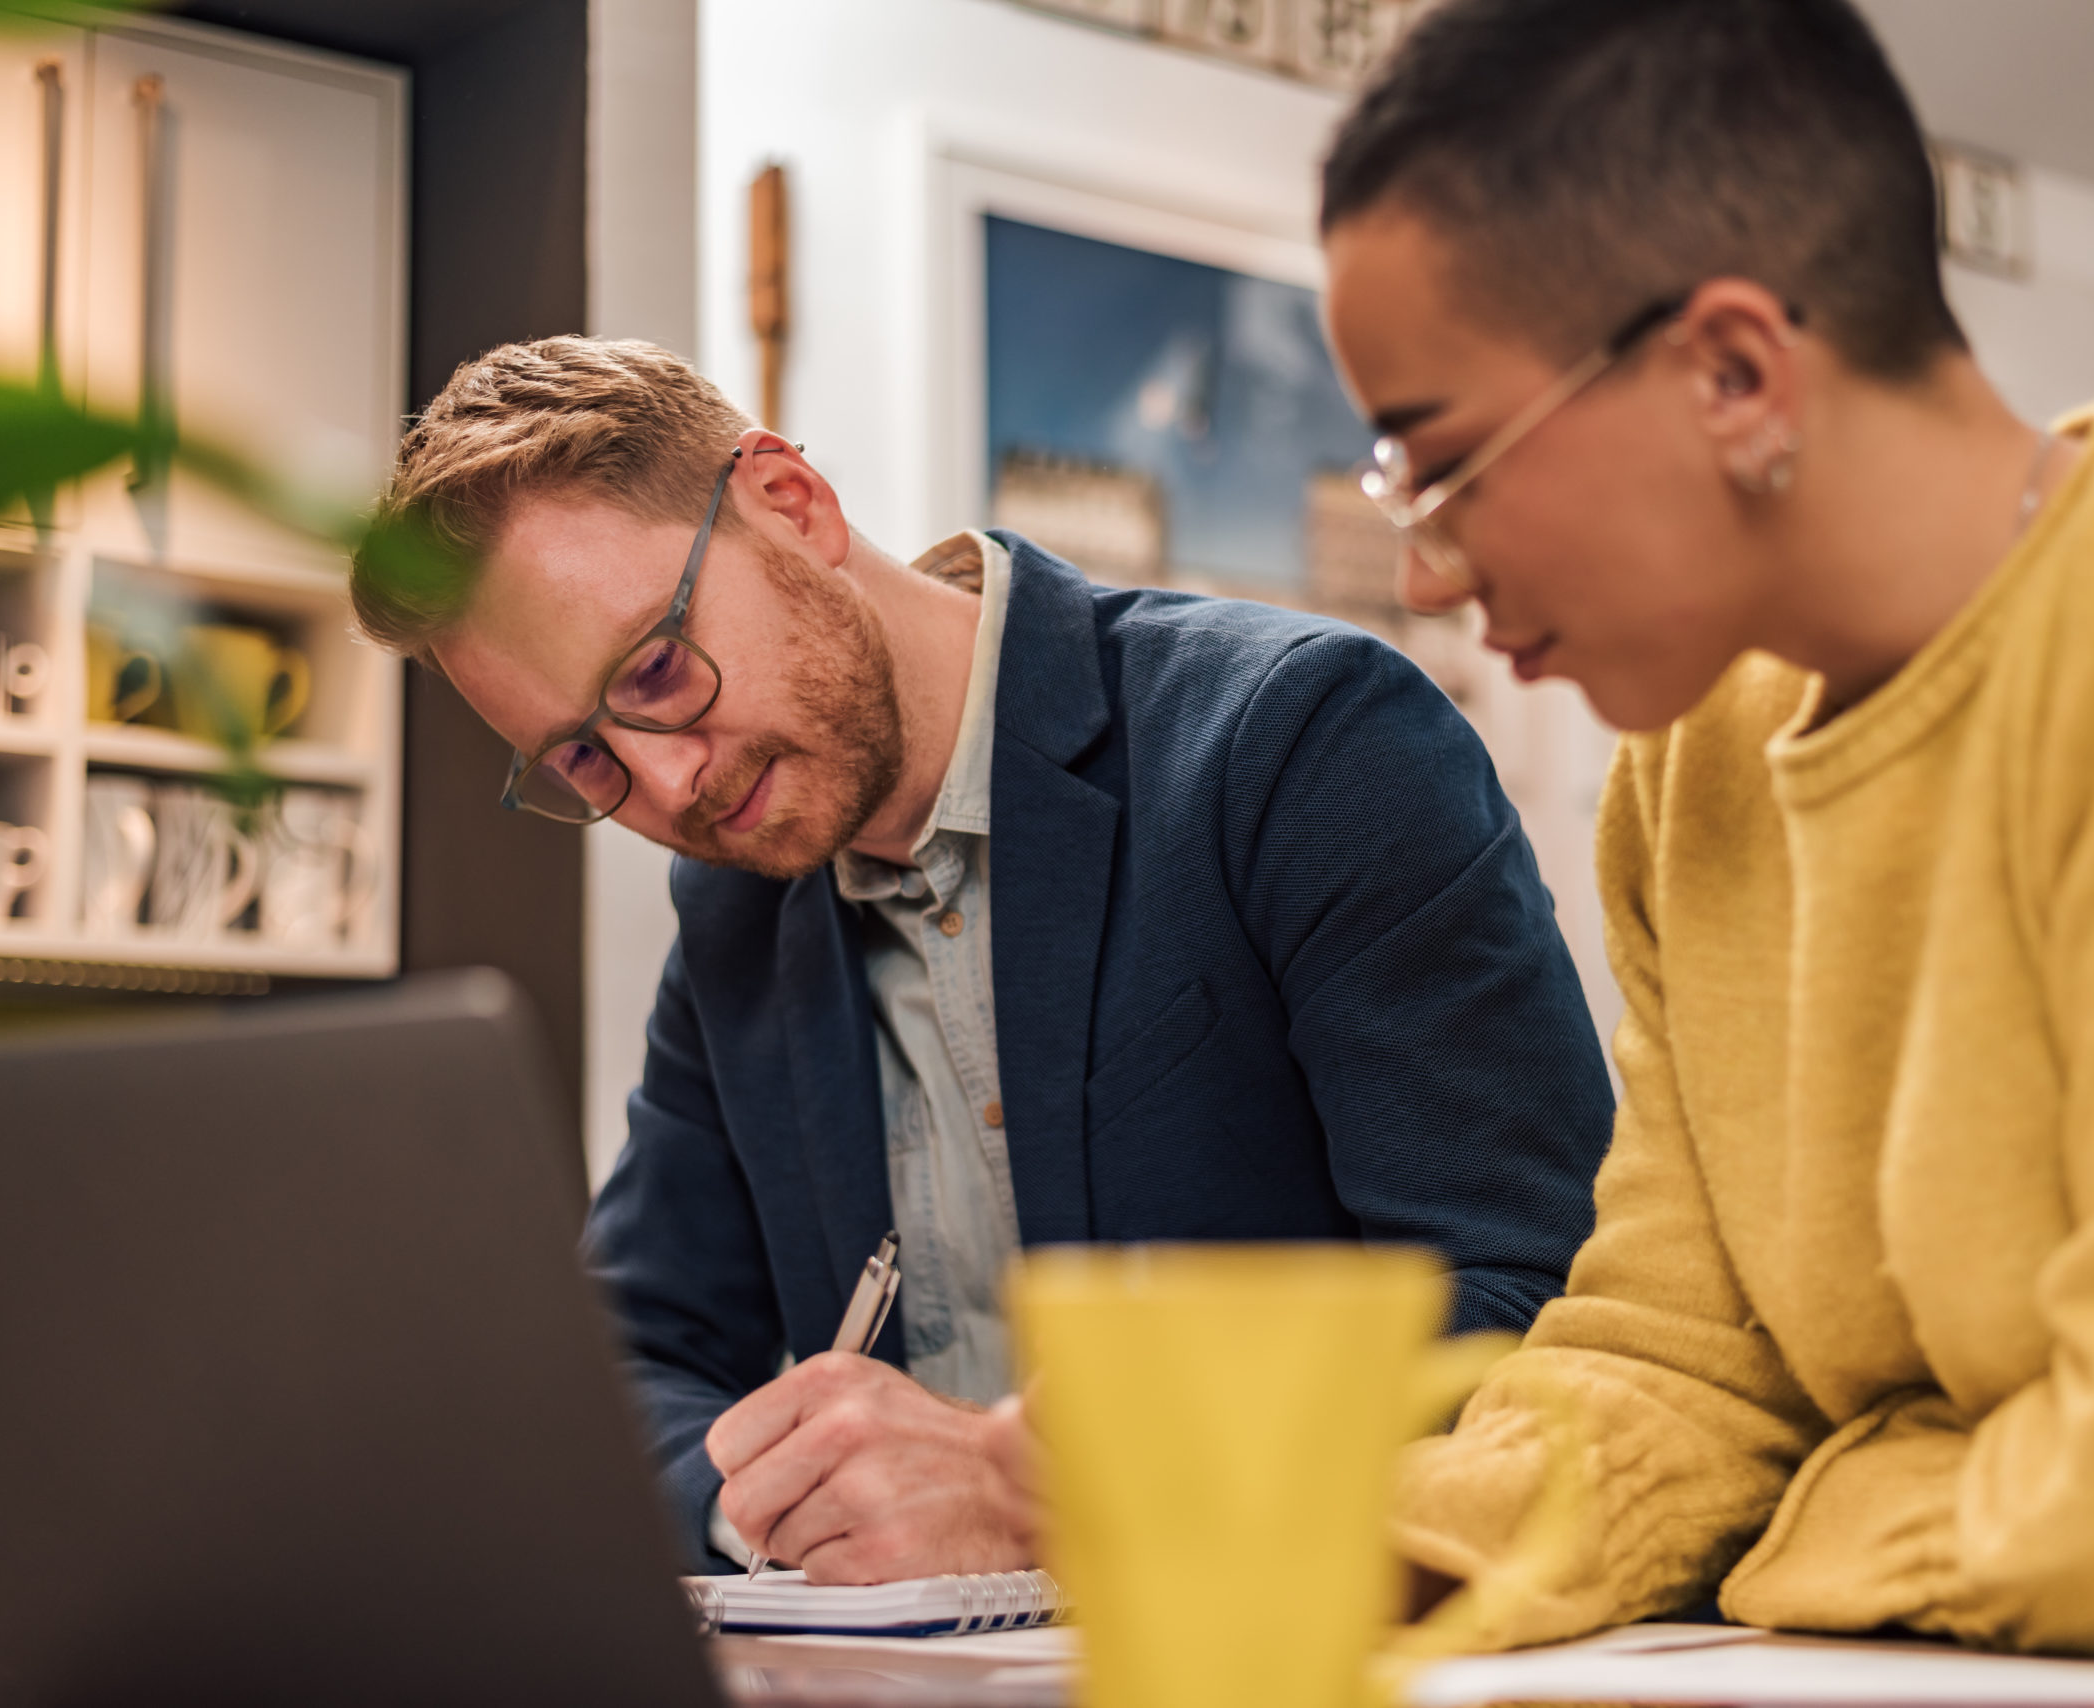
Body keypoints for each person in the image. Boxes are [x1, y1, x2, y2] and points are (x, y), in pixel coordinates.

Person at [1318, 0, 2094, 1664]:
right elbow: (1675, 1365)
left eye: (1442, 465)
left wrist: (1828, 1489)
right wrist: (1321, 1539)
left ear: (1733, 371)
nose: (1425, 571)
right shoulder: (1694, 763)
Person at [347, 337, 1616, 1582]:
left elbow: (1537, 1305)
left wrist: (1064, 1487)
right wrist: (781, 1510)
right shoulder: (740, 907)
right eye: (584, 759)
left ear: (789, 504)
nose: (668, 780)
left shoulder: (1296, 742)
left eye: (660, 671)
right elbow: (623, 1369)